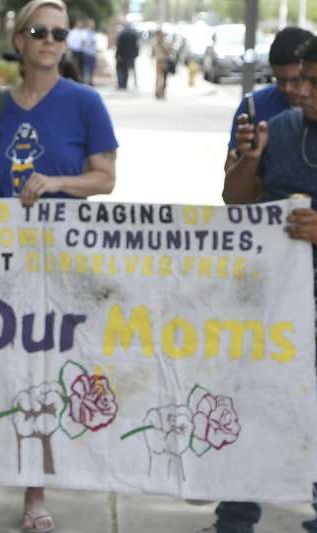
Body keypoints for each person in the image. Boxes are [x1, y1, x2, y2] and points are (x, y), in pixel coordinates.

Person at [0, 1, 117, 530]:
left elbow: (105, 178)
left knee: (53, 366)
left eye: (59, 33)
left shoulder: (86, 102)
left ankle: (38, 490)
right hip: (8, 256)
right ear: (19, 40)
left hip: (66, 257)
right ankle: (18, 475)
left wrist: (57, 183)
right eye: (39, 31)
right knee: (12, 365)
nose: (50, 40)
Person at [210, 36, 317, 533]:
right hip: (271, 295)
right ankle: (235, 517)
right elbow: (235, 198)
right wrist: (250, 159)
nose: (299, 91)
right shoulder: (280, 126)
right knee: (252, 399)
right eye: (296, 81)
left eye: (310, 82)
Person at [222, 26, 314, 188]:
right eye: (280, 80)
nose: (287, 88)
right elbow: (233, 191)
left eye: (297, 80)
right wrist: (248, 158)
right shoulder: (255, 106)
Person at [115, 23, 139, 90]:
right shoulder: (134, 35)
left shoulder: (122, 35)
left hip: (123, 55)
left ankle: (121, 84)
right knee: (127, 70)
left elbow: (119, 46)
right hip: (131, 55)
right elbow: (137, 46)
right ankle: (125, 84)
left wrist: (117, 55)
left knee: (122, 70)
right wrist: (136, 54)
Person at [152, 29, 174, 99]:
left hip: (165, 61)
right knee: (159, 77)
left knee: (164, 78)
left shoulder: (166, 43)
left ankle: (162, 92)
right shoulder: (155, 43)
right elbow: (152, 53)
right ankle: (158, 92)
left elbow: (170, 51)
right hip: (159, 61)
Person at [80, 18, 97, 86]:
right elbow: (83, 42)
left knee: (92, 68)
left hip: (92, 53)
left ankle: (90, 81)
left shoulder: (93, 32)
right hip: (86, 53)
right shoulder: (84, 32)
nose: (92, 25)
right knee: (85, 68)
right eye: (91, 24)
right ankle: (85, 82)